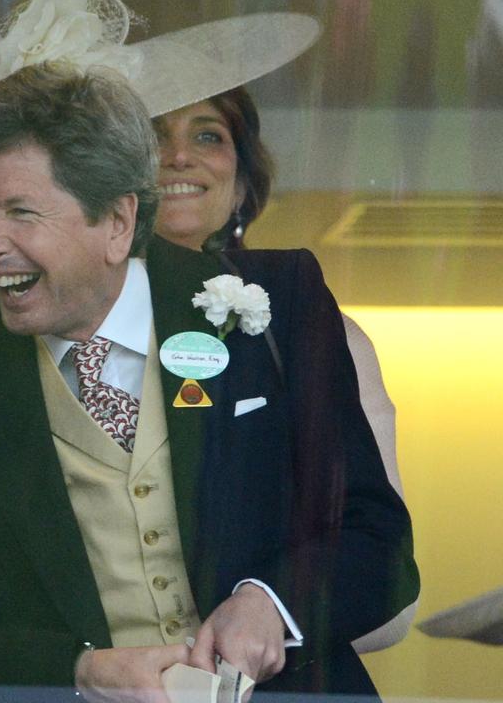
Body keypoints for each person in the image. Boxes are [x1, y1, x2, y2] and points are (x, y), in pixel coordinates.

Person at [0, 60, 418, 700]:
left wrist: (271, 604)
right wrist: (75, 672)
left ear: (117, 222)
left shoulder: (279, 303)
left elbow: (376, 543)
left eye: (20, 212)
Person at [153, 86, 416, 653]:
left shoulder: (308, 326)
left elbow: (383, 569)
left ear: (243, 185)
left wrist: (271, 608)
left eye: (207, 135)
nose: (177, 156)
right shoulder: (55, 335)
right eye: (152, 135)